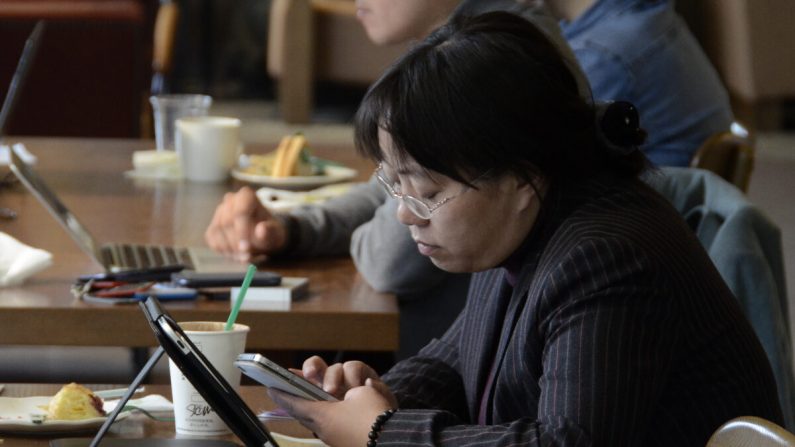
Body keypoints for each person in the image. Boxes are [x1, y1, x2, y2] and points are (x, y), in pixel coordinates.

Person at [266, 12, 783, 446]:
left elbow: (563, 443)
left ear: (521, 177)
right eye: (395, 186)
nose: (405, 214)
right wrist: (373, 394)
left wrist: (382, 432)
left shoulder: (607, 256)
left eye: (425, 192)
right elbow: (454, 361)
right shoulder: (524, 222)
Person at [206, 0, 580, 360]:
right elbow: (384, 189)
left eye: (426, 191)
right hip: (447, 354)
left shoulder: (491, 58)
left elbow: (391, 263)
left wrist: (365, 235)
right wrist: (292, 230)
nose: (406, 211)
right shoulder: (453, 45)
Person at [548, 0, 734, 166]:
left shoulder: (601, 55)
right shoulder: (648, 14)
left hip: (654, 197)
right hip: (684, 189)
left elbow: (555, 158)